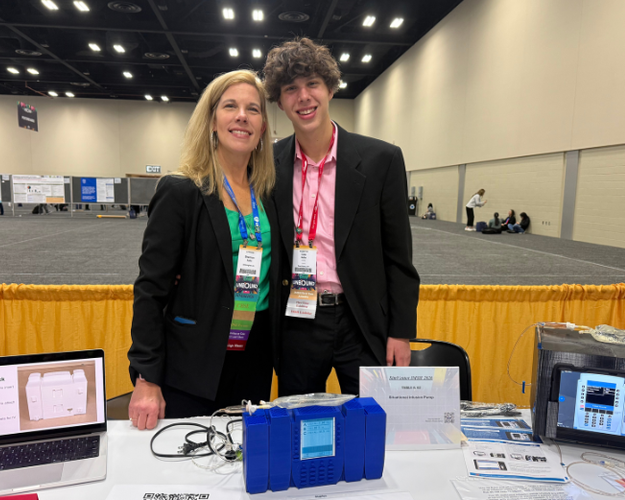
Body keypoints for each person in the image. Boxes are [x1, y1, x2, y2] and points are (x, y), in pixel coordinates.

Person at [263, 37, 421, 397]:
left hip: (361, 319)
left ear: (330, 88)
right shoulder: (268, 165)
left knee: (374, 423)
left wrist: (400, 331)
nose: (303, 97)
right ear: (280, 101)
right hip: (297, 320)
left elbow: (399, 257)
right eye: (291, 89)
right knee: (300, 424)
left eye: (312, 84)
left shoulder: (382, 160)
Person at [128, 70, 282, 430]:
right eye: (230, 106)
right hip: (194, 362)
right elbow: (150, 290)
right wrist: (147, 378)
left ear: (262, 128)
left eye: (253, 109)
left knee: (241, 463)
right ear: (212, 121)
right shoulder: (182, 191)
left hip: (255, 358)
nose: (242, 116)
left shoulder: (269, 196)